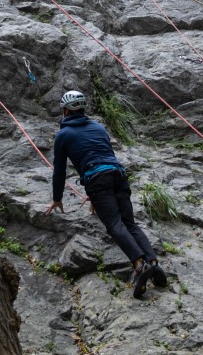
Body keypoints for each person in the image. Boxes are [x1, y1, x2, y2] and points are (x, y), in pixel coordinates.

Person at [47, 89, 166, 299]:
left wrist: (57, 198)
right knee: (129, 223)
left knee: (114, 224)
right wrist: (96, 198)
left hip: (97, 180)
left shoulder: (63, 135)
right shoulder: (99, 127)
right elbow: (105, 155)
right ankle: (154, 263)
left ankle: (139, 265)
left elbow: (59, 170)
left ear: (65, 111)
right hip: (118, 174)